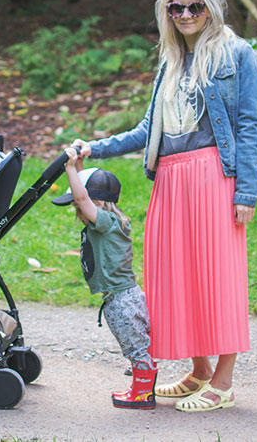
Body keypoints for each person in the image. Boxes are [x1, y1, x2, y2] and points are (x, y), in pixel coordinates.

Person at [71, 0, 257, 412]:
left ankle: (223, 380)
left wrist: (247, 193)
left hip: (214, 177)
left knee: (218, 276)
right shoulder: (171, 62)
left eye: (193, 6)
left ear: (211, 8)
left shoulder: (238, 54)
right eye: (175, 7)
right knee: (177, 277)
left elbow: (249, 126)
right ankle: (199, 371)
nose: (184, 14)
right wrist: (95, 145)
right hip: (171, 179)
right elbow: (148, 130)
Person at [52, 147, 155, 410]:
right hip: (121, 296)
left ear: (95, 202)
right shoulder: (109, 221)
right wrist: (79, 168)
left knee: (135, 348)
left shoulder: (106, 221)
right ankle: (140, 387)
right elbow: (84, 195)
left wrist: (69, 168)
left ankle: (142, 395)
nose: (77, 208)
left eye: (78, 204)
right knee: (137, 344)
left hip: (121, 299)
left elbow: (82, 197)